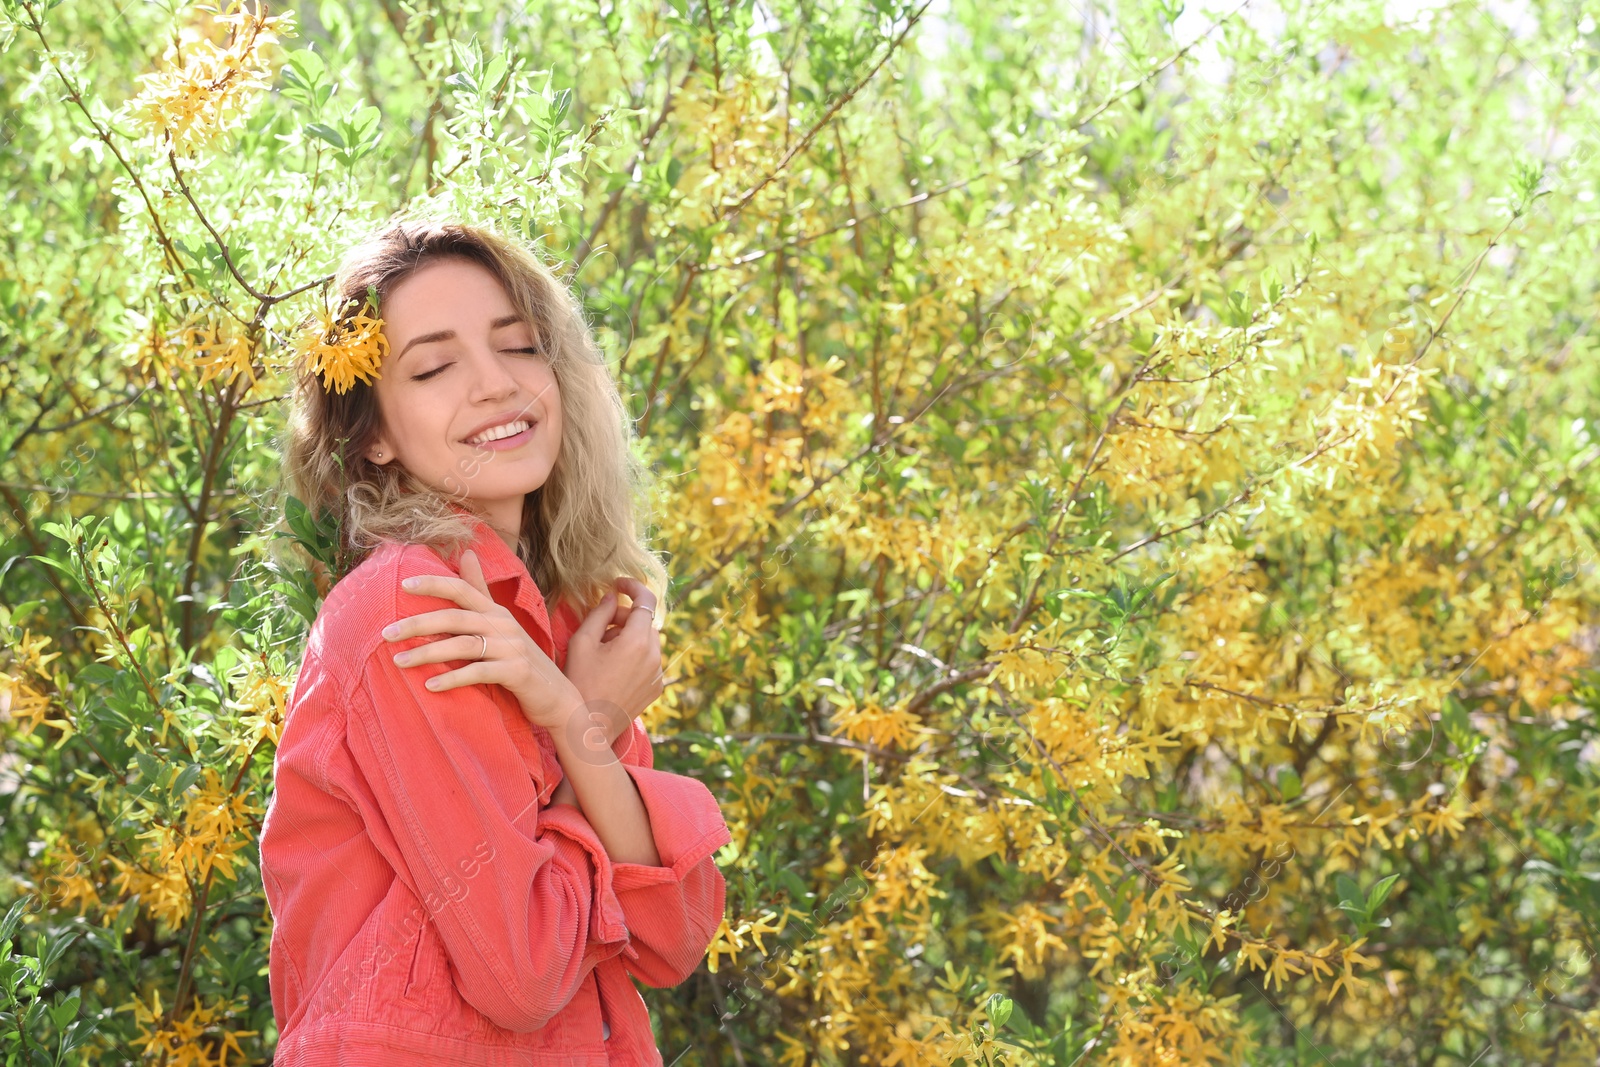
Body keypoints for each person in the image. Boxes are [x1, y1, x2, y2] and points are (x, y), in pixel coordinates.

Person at [258, 217, 730, 1065]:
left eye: (518, 346)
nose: (494, 385)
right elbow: (522, 974)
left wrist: (573, 715)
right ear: (374, 432)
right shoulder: (415, 603)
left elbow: (672, 935)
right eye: (434, 366)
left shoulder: (563, 620)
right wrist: (586, 716)